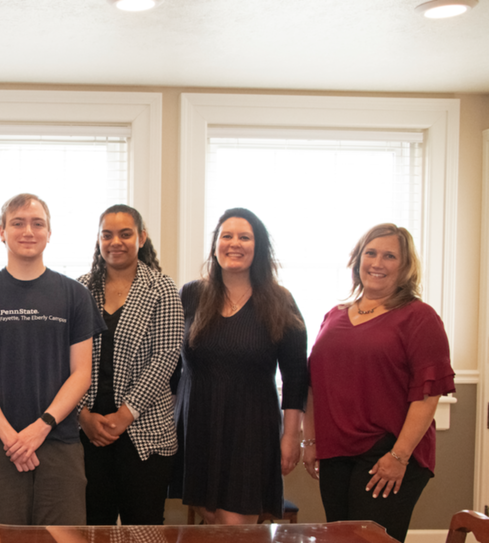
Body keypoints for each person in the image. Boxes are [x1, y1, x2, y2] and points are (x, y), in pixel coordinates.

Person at [0, 193, 105, 525]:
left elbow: (82, 374)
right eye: (18, 223)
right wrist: (12, 438)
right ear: (1, 231)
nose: (28, 231)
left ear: (49, 233)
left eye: (38, 224)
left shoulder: (75, 295)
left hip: (59, 442)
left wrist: (40, 428)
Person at [302, 224, 455, 543]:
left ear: (405, 267)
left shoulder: (419, 317)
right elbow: (315, 383)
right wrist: (311, 441)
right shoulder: (334, 315)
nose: (377, 263)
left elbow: (428, 395)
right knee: (340, 538)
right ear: (357, 260)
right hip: (335, 452)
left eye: (389, 256)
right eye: (370, 253)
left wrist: (399, 457)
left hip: (387, 451)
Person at [175, 207, 308, 524]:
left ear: (258, 246)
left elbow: (295, 377)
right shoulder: (192, 295)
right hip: (198, 425)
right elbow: (173, 365)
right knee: (211, 520)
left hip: (251, 431)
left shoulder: (279, 300)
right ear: (216, 245)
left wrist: (290, 437)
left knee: (237, 526)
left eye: (244, 237)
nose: (234, 243)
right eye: (227, 236)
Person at [77, 204, 183, 525]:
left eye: (125, 234)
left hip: (145, 432)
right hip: (89, 432)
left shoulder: (162, 288)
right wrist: (83, 416)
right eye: (107, 235)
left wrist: (125, 416)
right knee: (94, 527)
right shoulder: (81, 289)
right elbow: (66, 359)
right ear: (98, 240)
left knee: (144, 528)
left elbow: (165, 358)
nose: (115, 242)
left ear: (142, 237)